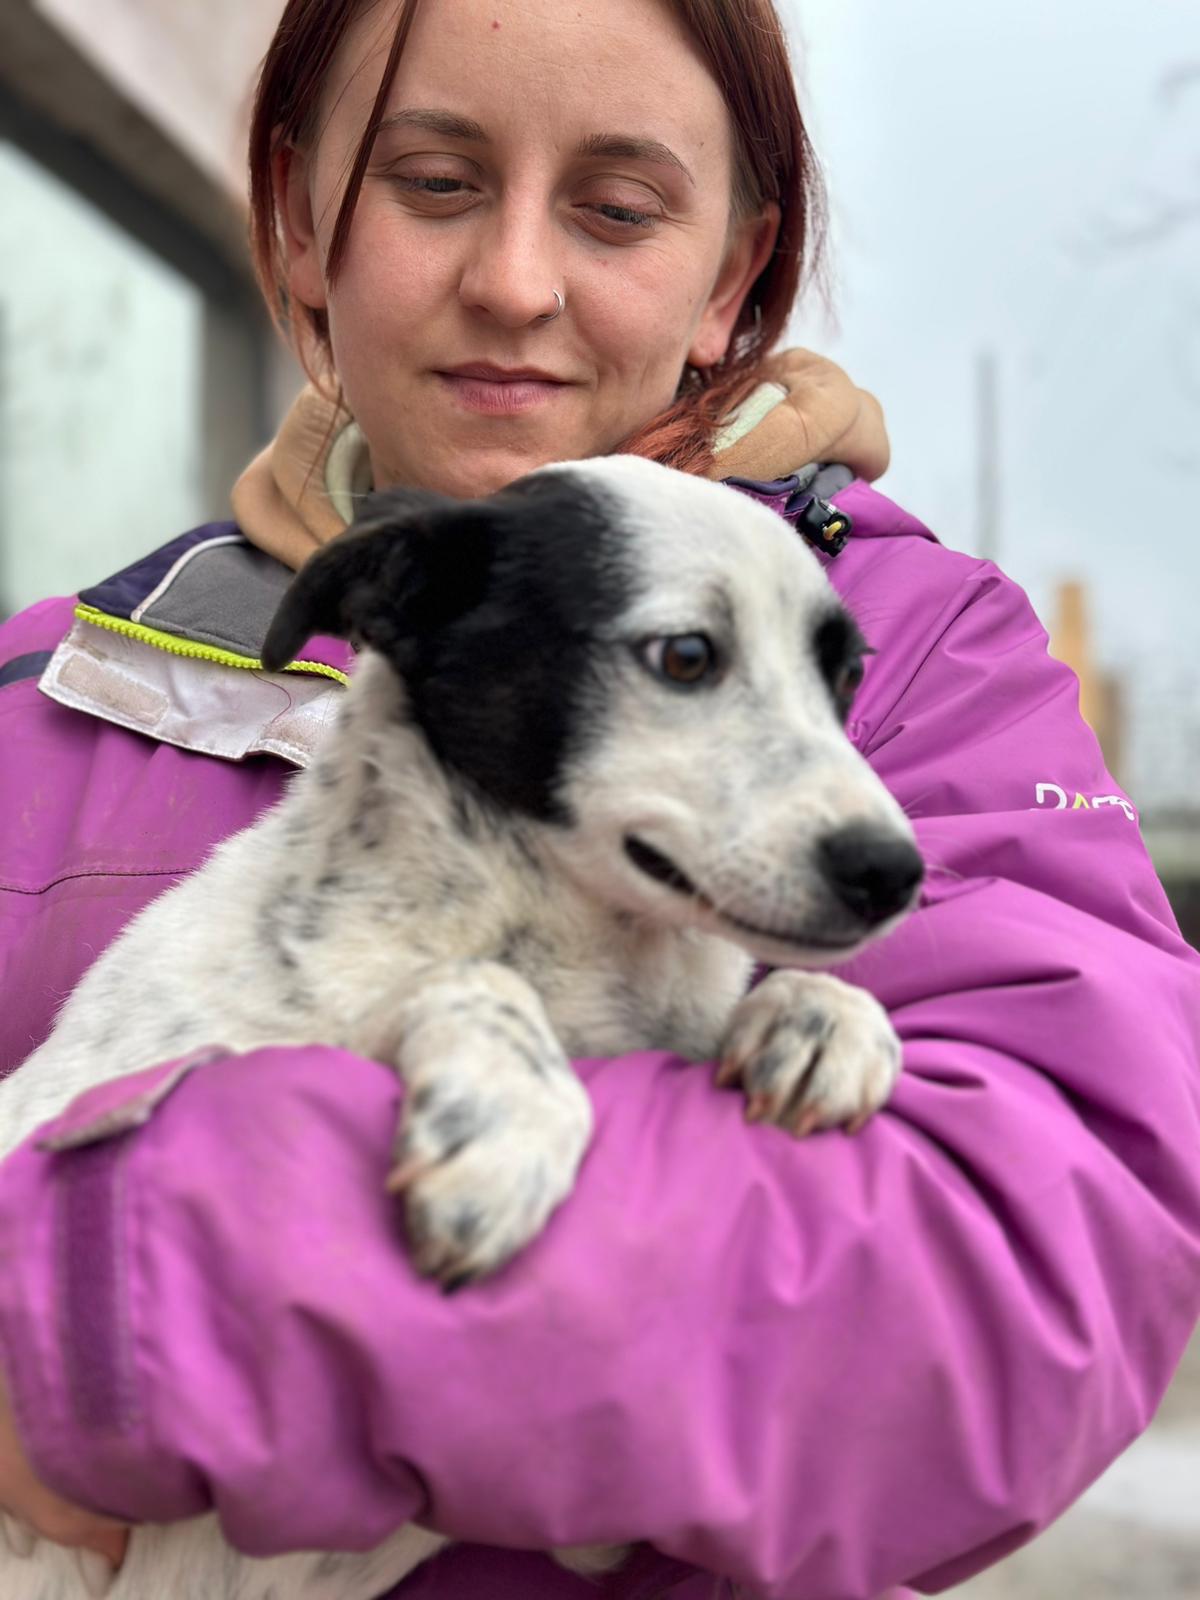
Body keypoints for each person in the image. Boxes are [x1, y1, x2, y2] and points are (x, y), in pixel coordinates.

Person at [0, 0, 1198, 1596]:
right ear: (297, 221)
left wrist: (101, 1304)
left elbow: (1012, 1275)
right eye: (435, 182)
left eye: (619, 209)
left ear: (735, 278)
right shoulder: (48, 691)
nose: (515, 282)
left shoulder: (933, 664)